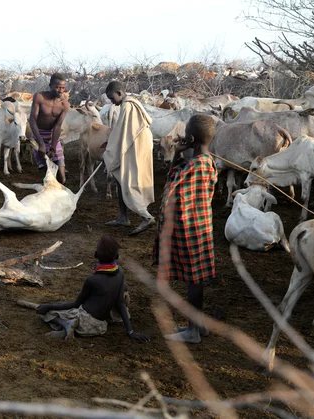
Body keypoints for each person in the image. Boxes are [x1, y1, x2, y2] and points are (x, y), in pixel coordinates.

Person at [152, 114, 218, 344]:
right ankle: (198, 325)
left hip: (190, 229)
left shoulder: (196, 166)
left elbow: (171, 186)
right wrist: (179, 154)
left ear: (189, 137)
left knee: (194, 279)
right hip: (201, 226)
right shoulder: (205, 161)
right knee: (195, 279)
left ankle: (192, 331)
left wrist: (178, 156)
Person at [35, 236, 150, 342]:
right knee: (123, 291)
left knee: (48, 312)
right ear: (116, 256)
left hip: (86, 322)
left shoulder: (92, 279)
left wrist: (49, 306)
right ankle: (67, 329)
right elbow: (120, 302)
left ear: (95, 255)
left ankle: (67, 325)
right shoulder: (120, 271)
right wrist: (131, 331)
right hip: (100, 325)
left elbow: (76, 304)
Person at [102, 81, 156, 236]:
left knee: (130, 180)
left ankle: (146, 217)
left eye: (112, 97)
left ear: (119, 93)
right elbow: (124, 131)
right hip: (137, 143)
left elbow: (121, 132)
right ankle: (123, 217)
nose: (111, 101)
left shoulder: (128, 106)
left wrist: (110, 148)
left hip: (135, 146)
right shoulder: (132, 103)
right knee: (121, 179)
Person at [28, 73, 70, 184]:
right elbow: (32, 120)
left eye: (63, 88)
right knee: (48, 176)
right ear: (50, 85)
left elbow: (57, 126)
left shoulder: (64, 105)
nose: (60, 90)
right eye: (57, 87)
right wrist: (40, 143)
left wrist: (53, 148)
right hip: (38, 135)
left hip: (53, 137)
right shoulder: (40, 97)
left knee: (62, 178)